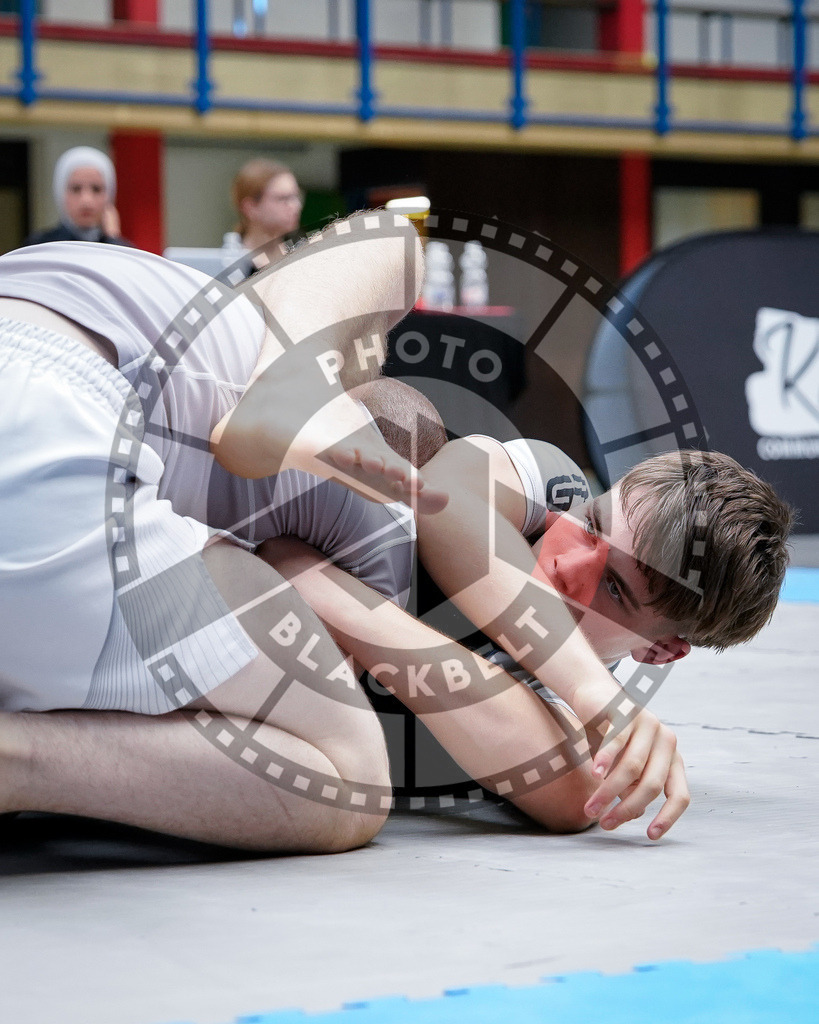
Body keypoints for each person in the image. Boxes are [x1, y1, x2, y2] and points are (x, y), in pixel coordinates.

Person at [0, 215, 792, 850]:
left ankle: (296, 380)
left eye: (612, 585)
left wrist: (324, 592)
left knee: (342, 771)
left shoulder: (532, 707)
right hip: (75, 391)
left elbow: (574, 792)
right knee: (392, 243)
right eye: (588, 521)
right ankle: (295, 380)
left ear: (661, 650)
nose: (564, 554)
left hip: (75, 426)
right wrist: (594, 694)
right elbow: (453, 496)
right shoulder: (521, 495)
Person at [22, 146, 130, 248]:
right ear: (61, 192)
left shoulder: (125, 251)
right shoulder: (39, 246)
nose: (86, 201)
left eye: (96, 189)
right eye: (76, 189)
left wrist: (114, 242)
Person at [231, 158, 303, 256]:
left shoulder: (302, 259)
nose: (296, 206)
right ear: (250, 208)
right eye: (283, 198)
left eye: (295, 196)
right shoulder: (226, 262)